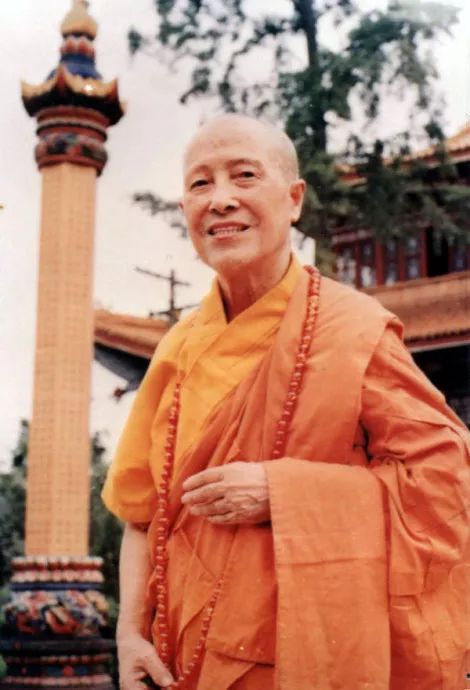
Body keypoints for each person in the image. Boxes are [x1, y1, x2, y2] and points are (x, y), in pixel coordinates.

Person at [102, 114, 470, 690]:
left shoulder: (353, 331)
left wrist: (285, 491)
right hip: (179, 664)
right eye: (201, 183)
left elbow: (447, 480)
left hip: (307, 661)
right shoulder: (175, 348)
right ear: (185, 210)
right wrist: (129, 634)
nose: (221, 199)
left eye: (244, 175)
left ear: (294, 199)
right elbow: (142, 515)